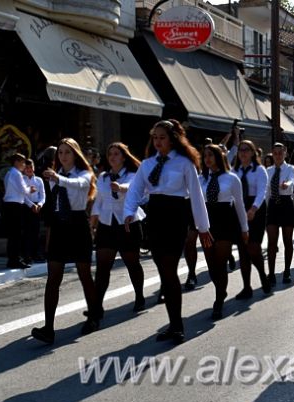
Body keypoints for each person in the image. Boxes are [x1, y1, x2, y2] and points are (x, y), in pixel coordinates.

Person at [124, 120, 212, 344]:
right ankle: (174, 323)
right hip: (155, 215)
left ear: (172, 139)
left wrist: (203, 228)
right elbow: (135, 190)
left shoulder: (184, 163)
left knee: (169, 269)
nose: (158, 142)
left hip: (176, 215)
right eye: (155, 137)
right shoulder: (147, 164)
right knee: (164, 272)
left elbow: (196, 196)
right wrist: (129, 212)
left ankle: (177, 326)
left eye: (162, 137)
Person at [30, 138, 100, 344]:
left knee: (84, 274)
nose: (63, 156)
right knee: (53, 278)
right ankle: (49, 328)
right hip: (60, 227)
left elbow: (78, 185)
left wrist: (59, 179)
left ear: (75, 154)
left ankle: (94, 317)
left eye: (67, 152)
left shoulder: (84, 174)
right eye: (60, 152)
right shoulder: (54, 177)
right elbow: (54, 207)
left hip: (78, 225)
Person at [90, 142, 146, 315]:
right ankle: (97, 306)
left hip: (128, 224)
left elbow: (132, 188)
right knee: (102, 266)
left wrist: (120, 188)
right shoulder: (103, 177)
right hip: (107, 225)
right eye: (110, 154)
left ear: (123, 156)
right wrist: (93, 219)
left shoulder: (132, 174)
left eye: (116, 154)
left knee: (132, 264)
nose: (112, 157)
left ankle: (139, 296)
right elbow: (99, 200)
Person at [198, 144, 248, 319]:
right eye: (205, 156)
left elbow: (240, 205)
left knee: (220, 264)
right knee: (211, 266)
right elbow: (195, 203)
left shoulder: (232, 178)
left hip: (226, 221)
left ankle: (219, 300)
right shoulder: (200, 179)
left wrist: (244, 228)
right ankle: (221, 290)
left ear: (219, 157)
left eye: (211, 155)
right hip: (207, 222)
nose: (208, 159)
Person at [232, 139, 271, 299]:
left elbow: (262, 191)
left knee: (253, 247)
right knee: (242, 250)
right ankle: (246, 287)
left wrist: (254, 208)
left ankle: (263, 275)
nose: (243, 153)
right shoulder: (235, 171)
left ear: (253, 152)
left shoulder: (260, 170)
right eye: (241, 150)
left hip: (256, 209)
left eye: (246, 149)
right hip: (239, 208)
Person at [265, 142, 294, 285]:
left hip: (286, 204)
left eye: (280, 152)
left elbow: (292, 180)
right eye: (275, 153)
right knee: (272, 242)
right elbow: (266, 191)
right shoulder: (268, 170)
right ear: (272, 154)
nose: (278, 155)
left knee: (287, 240)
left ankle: (287, 271)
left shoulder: (290, 168)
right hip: (272, 205)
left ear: (285, 153)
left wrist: (287, 184)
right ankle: (271, 273)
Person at [3, 154, 35, 269]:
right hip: (14, 205)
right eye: (22, 162)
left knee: (13, 234)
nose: (24, 165)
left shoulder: (9, 173)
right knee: (15, 234)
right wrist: (30, 189)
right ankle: (14, 260)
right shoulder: (16, 173)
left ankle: (13, 259)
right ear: (16, 162)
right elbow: (23, 190)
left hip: (10, 205)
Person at [22, 159, 45, 264]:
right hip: (26, 206)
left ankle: (36, 254)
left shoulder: (39, 180)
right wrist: (32, 205)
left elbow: (43, 195)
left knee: (36, 231)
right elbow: (23, 195)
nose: (29, 169)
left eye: (31, 167)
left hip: (37, 207)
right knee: (27, 231)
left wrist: (39, 204)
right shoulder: (21, 179)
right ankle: (27, 255)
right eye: (27, 168)